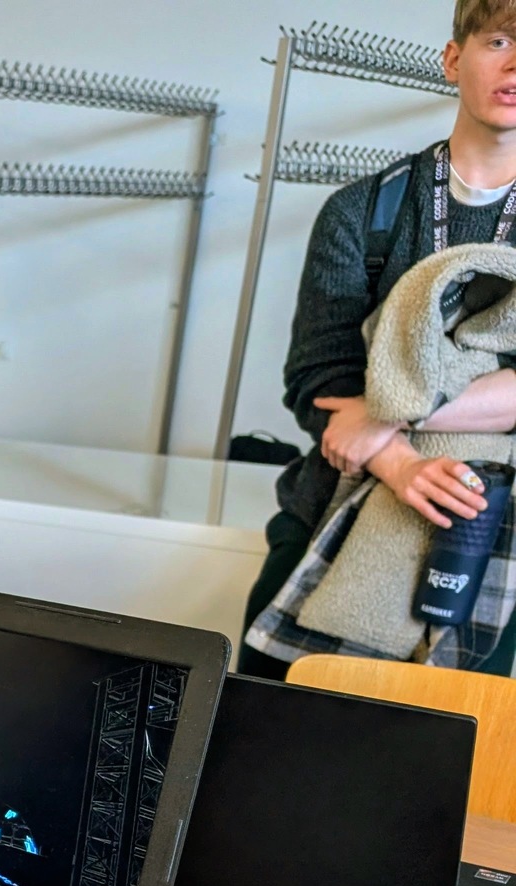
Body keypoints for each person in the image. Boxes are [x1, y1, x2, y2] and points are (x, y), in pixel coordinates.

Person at [244, 0, 516, 677]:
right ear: (453, 58)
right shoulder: (365, 211)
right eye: (499, 41)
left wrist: (383, 413)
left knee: (451, 741)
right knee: (262, 710)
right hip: (333, 511)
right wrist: (399, 463)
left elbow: (359, 411)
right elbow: (319, 381)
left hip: (498, 544)